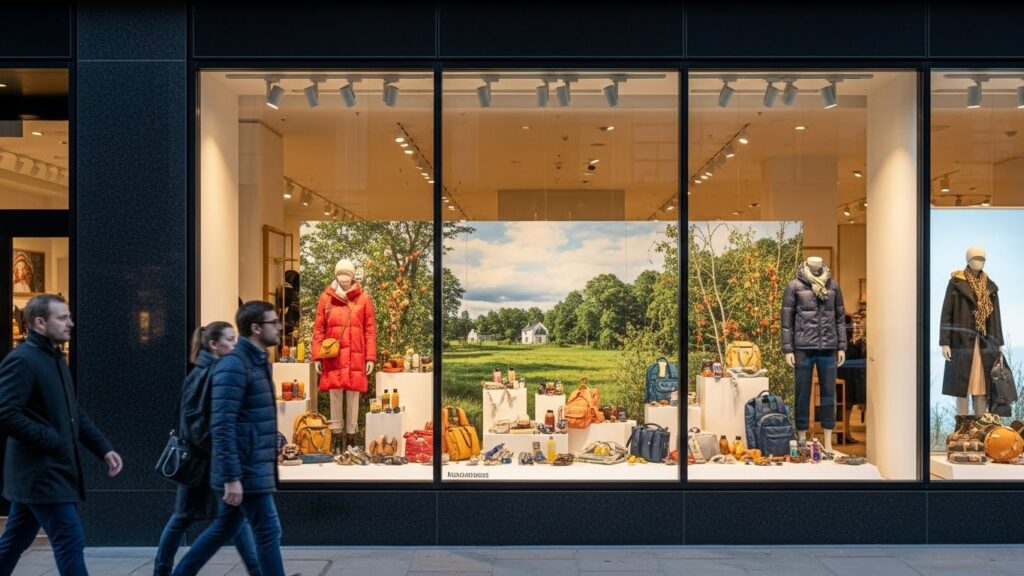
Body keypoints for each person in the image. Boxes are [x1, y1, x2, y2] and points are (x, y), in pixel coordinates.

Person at [0, 294, 123, 576]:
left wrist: (103, 448)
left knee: (14, 542)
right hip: (42, 473)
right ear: (40, 323)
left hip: (44, 473)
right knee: (70, 541)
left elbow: (73, 412)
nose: (71, 323)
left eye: (69, 316)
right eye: (63, 317)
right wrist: (51, 439)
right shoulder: (22, 360)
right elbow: (5, 412)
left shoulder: (54, 359)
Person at [171, 302, 285, 576]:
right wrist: (231, 477)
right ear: (256, 329)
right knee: (268, 531)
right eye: (274, 322)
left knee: (225, 528)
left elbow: (250, 419)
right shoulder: (234, 366)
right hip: (244, 469)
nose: (280, 327)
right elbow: (222, 425)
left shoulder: (256, 363)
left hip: (252, 465)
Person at [152, 322, 261, 576]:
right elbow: (197, 423)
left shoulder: (205, 371)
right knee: (191, 518)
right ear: (213, 344)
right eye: (230, 340)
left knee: (216, 519)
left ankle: (162, 570)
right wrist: (223, 451)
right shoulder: (208, 374)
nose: (235, 345)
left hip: (202, 461)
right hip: (204, 463)